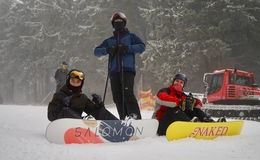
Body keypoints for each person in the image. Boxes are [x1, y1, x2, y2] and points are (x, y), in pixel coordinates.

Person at [94, 12, 145, 120]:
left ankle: (135, 117)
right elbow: (96, 51)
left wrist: (127, 48)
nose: (118, 23)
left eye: (120, 21)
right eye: (116, 22)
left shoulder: (131, 37)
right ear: (113, 24)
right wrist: (107, 49)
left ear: (124, 23)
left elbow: (141, 47)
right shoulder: (109, 40)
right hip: (114, 72)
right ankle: (124, 118)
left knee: (127, 93)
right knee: (117, 97)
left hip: (127, 70)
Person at [152, 73, 226, 136]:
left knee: (194, 109)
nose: (178, 83)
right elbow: (162, 98)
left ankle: (211, 124)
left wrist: (193, 102)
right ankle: (191, 125)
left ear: (183, 85)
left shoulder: (183, 95)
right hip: (161, 125)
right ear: (173, 82)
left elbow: (199, 105)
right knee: (173, 109)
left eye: (181, 82)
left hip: (176, 125)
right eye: (177, 81)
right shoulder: (165, 91)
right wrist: (180, 102)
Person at [48, 69, 118, 121]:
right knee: (66, 111)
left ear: (81, 83)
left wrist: (99, 105)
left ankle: (118, 125)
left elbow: (96, 113)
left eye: (78, 82)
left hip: (78, 128)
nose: (75, 84)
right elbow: (51, 116)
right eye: (73, 81)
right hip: (62, 126)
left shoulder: (82, 98)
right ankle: (82, 124)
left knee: (100, 111)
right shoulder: (59, 95)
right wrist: (61, 105)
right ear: (68, 81)